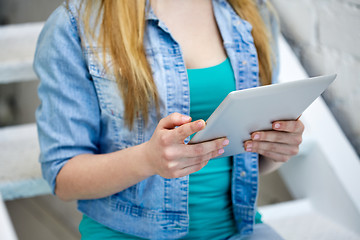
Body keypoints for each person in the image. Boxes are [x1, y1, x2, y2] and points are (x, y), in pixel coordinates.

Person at [34, 0, 304, 239]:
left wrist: (276, 151)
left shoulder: (251, 10)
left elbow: (248, 157)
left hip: (238, 229)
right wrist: (147, 160)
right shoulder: (75, 23)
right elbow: (63, 178)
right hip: (128, 233)